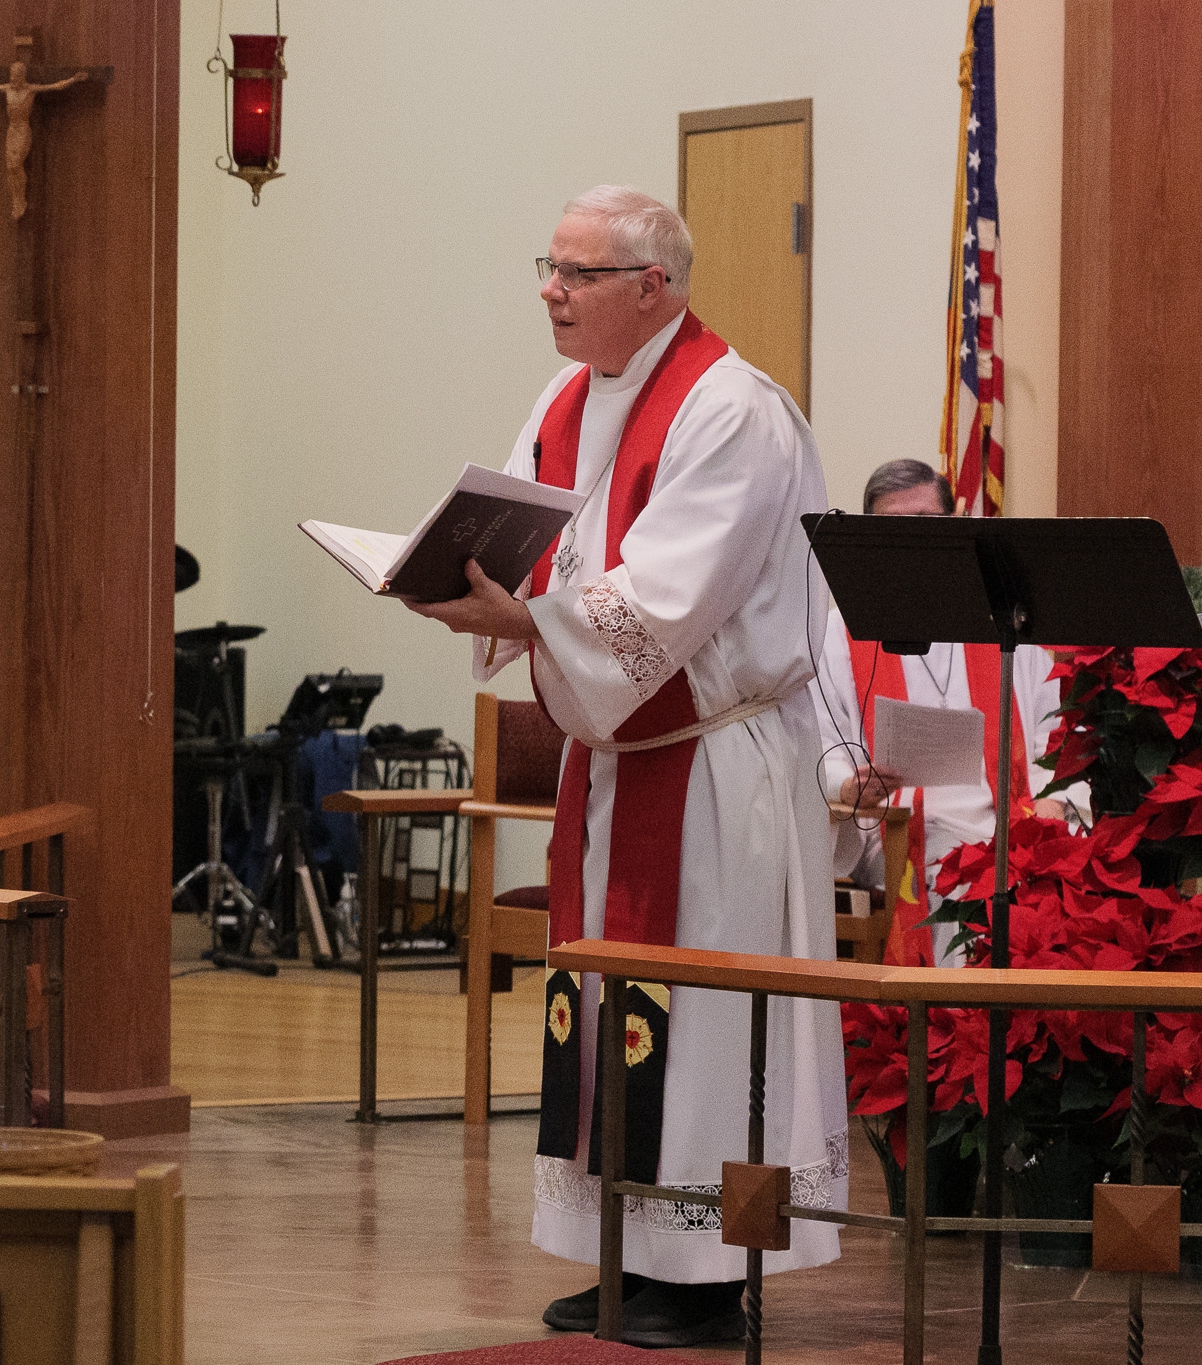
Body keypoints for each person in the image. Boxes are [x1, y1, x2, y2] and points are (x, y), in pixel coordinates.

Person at [407, 186, 846, 1348]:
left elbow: (668, 597)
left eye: (577, 273)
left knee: (703, 1027)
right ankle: (628, 1255)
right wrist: (452, 575)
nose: (550, 292)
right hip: (611, 763)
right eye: (546, 268)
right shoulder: (562, 401)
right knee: (603, 1012)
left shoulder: (731, 410)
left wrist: (526, 617)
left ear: (652, 287)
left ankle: (705, 1272)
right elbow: (519, 535)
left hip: (712, 768)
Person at [813, 458, 1086, 966]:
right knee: (956, 866)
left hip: (1013, 817)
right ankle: (957, 1012)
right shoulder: (839, 635)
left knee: (1072, 870)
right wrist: (849, 785)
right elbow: (820, 739)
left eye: (925, 523)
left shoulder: (1002, 625)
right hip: (898, 826)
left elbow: (1058, 734)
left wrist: (1054, 800)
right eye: (892, 528)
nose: (911, 542)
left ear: (953, 527)